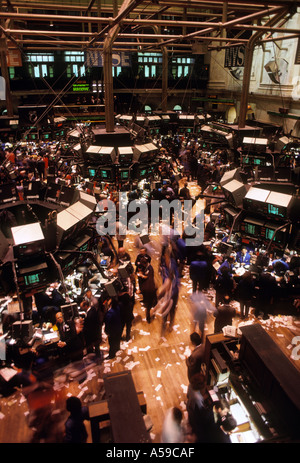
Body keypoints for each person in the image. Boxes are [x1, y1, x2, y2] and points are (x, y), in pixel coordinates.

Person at [136, 257, 157, 324]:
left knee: (149, 304)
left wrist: (141, 275)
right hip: (150, 289)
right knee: (150, 303)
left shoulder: (150, 269)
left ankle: (148, 316)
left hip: (149, 289)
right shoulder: (148, 267)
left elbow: (147, 277)